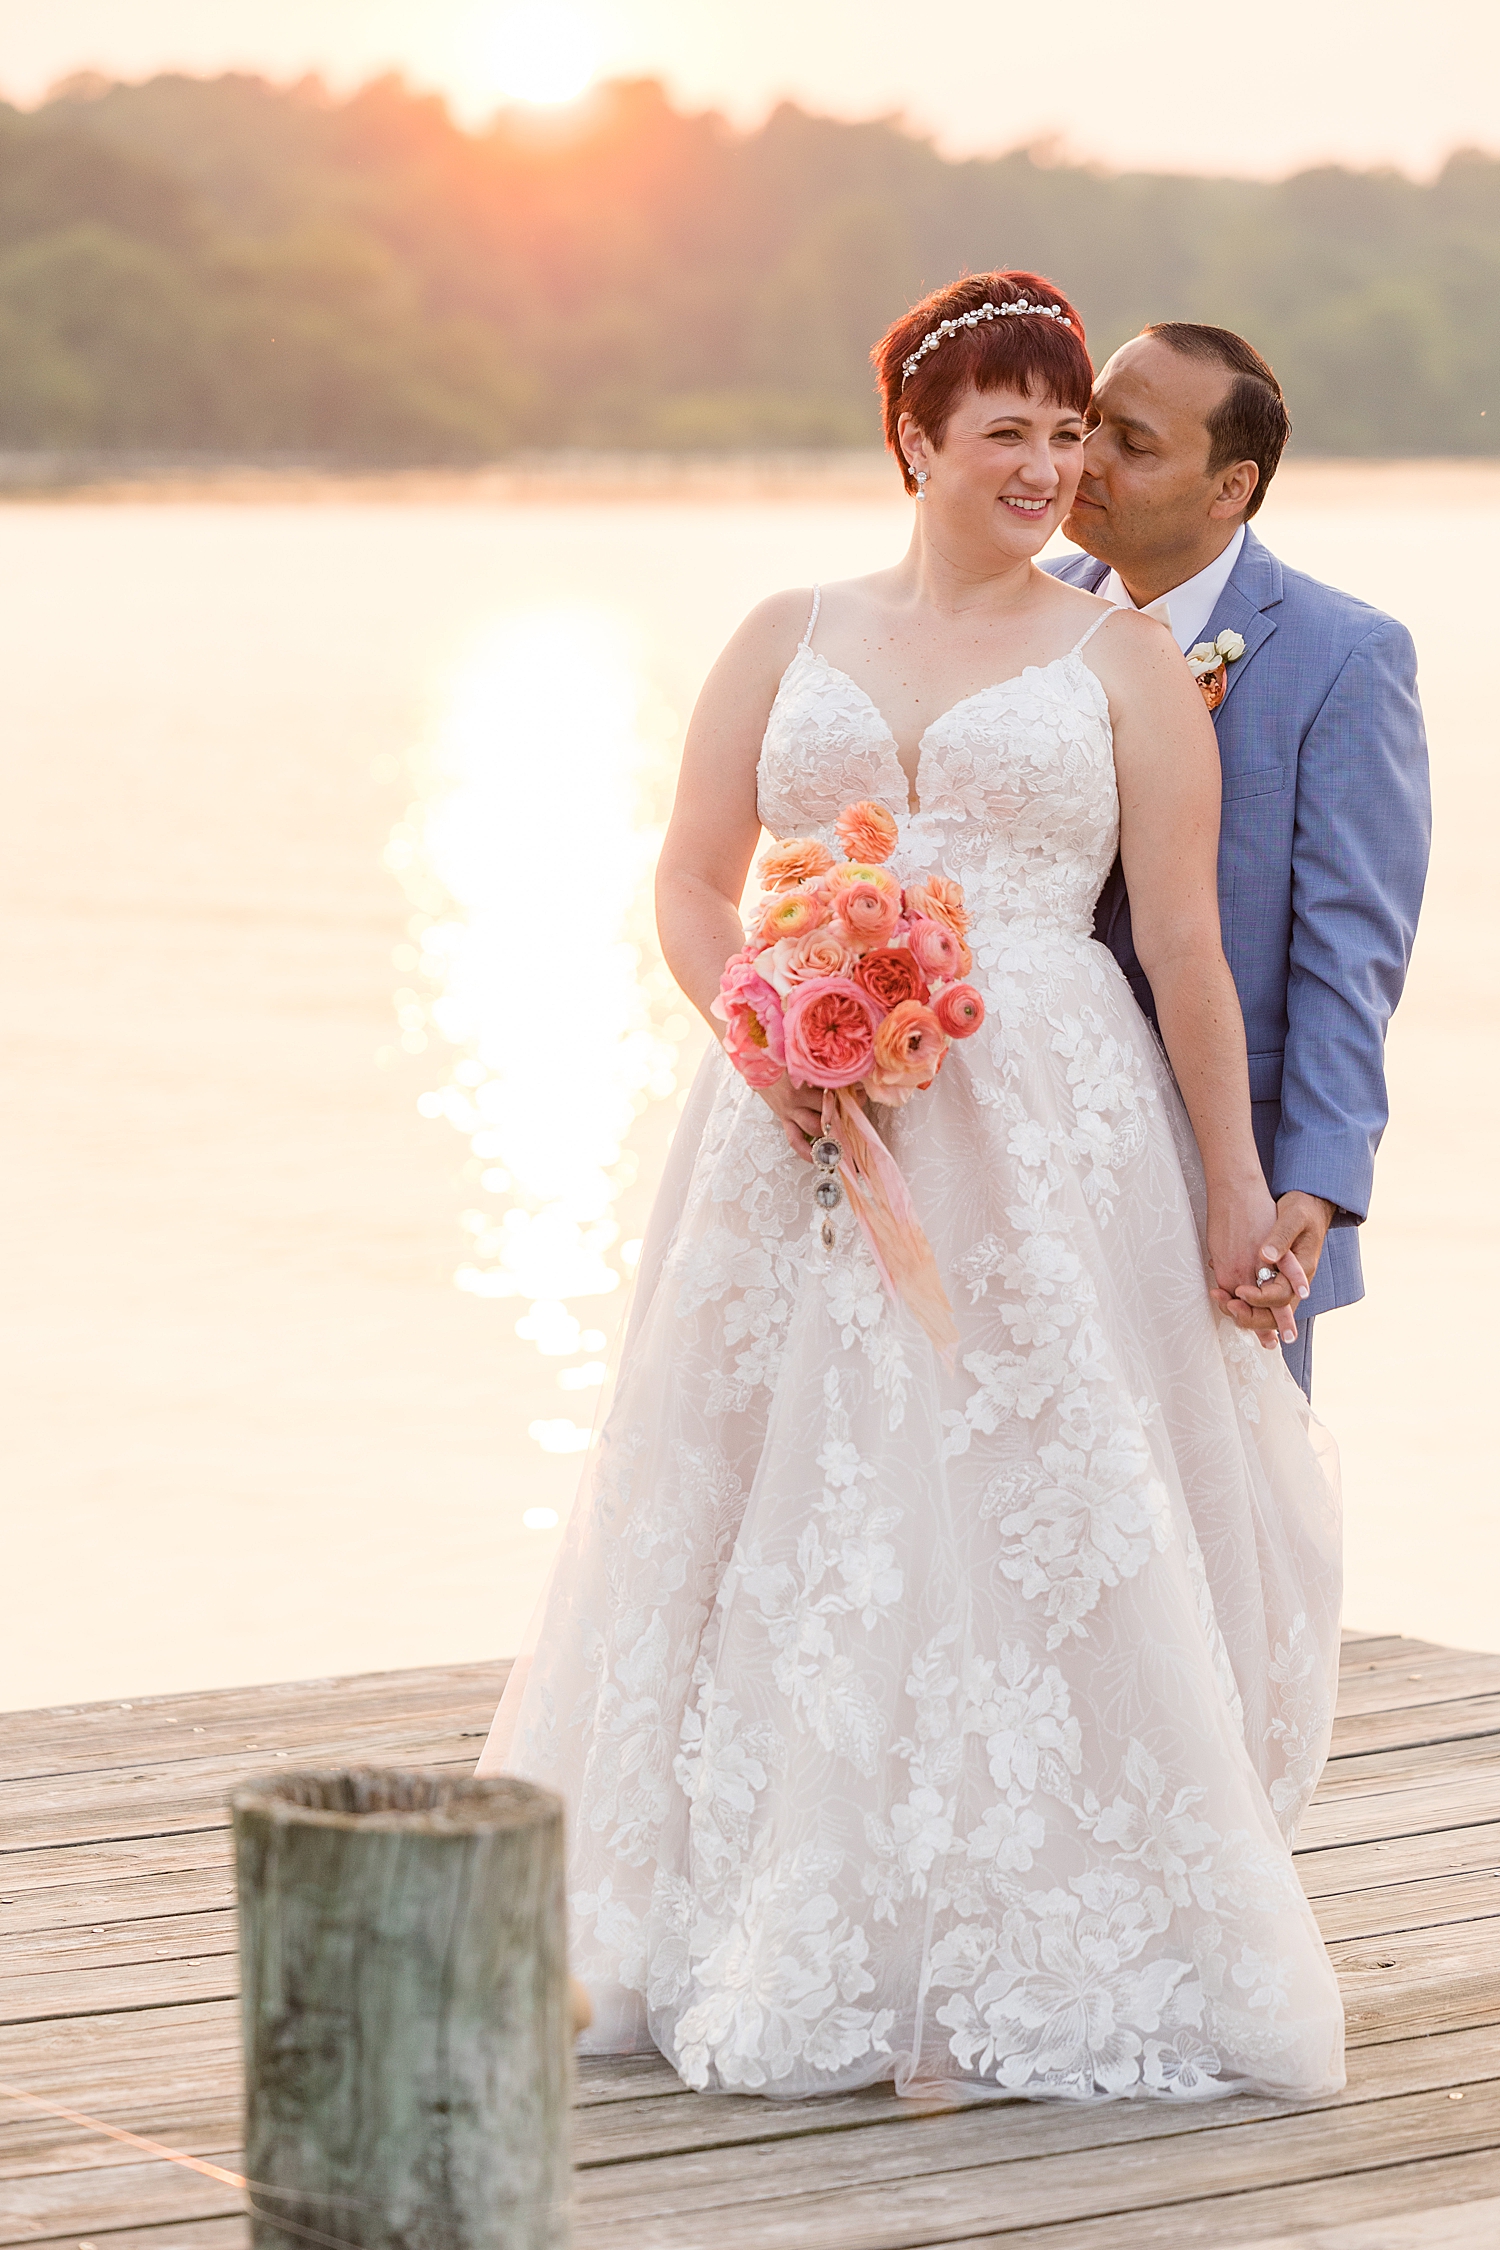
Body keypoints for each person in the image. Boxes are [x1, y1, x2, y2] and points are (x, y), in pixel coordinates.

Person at [477, 271, 1345, 2106]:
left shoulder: (1119, 662)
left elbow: (1187, 949)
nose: (1046, 469)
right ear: (916, 443)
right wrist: (774, 1034)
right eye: (1008, 434)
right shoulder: (783, 630)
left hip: (1047, 1127)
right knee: (770, 1490)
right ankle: (738, 1896)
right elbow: (699, 879)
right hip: (792, 1125)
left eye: (1067, 436)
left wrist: (1234, 1187)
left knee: (1022, 1489)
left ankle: (1022, 1911)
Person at [1047, 326, 1431, 1398]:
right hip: (1026, 1153)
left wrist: (1315, 1180)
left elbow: (1352, 951)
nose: (1083, 463)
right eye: (1088, 426)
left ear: (1231, 488)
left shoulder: (1344, 656)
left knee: (1225, 1539)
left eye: (1132, 444)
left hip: (1236, 1180)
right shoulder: (1018, 610)